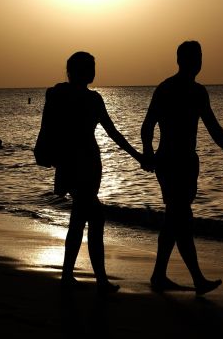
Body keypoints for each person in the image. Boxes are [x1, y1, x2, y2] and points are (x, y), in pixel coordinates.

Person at [141, 40, 223, 295]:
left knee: (174, 220)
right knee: (181, 217)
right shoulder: (166, 89)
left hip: (188, 162)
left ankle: (159, 275)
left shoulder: (199, 92)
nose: (197, 62)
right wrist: (148, 152)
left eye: (200, 57)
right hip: (169, 161)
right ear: (181, 60)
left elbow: (213, 127)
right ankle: (196, 279)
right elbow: (148, 125)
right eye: (193, 57)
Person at [39, 51, 144, 294]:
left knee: (79, 219)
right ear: (78, 70)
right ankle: (99, 280)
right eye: (90, 66)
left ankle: (71, 276)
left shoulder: (64, 95)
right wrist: (138, 156)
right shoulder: (70, 97)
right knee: (94, 217)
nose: (94, 70)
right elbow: (112, 133)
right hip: (78, 164)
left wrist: (138, 156)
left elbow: (112, 132)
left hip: (83, 165)